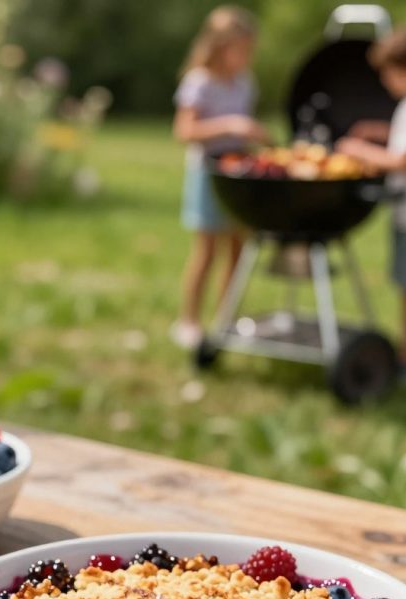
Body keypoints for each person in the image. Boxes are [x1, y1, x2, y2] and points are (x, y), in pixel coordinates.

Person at [337, 25, 406, 388]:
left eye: (388, 72)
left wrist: (359, 151)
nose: (385, 81)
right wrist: (379, 131)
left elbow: (403, 161)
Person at [171, 5, 268, 349]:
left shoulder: (244, 82)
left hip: (237, 171)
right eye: (240, 49)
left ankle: (226, 318)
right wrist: (230, 125)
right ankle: (189, 321)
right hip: (207, 172)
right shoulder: (200, 81)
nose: (245, 57)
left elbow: (242, 130)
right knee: (207, 250)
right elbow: (184, 130)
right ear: (219, 46)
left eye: (249, 50)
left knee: (238, 250)